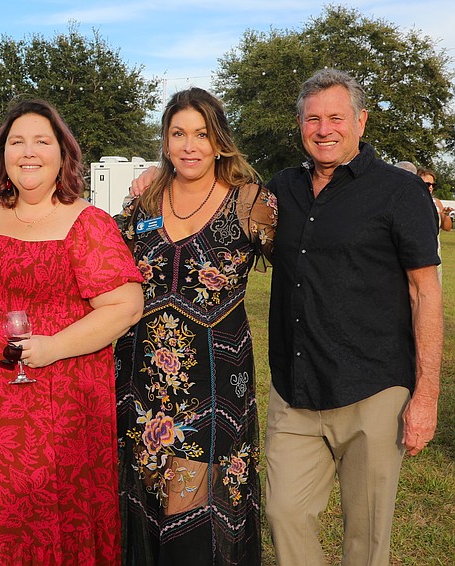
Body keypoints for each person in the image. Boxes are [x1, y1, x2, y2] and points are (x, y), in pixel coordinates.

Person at [0, 99, 144, 564]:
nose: (28, 152)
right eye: (17, 142)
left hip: (59, 398)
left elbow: (126, 306)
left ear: (63, 153)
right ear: (2, 155)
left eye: (42, 141)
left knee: (47, 512)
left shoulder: (87, 222)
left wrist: (54, 346)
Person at [265, 69, 441, 566]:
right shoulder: (281, 188)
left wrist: (426, 396)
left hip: (373, 391)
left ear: (361, 121)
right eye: (313, 119)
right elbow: (218, 199)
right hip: (295, 389)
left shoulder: (399, 191)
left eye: (337, 118)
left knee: (365, 540)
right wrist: (158, 175)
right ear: (300, 124)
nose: (324, 129)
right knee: (283, 513)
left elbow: (425, 293)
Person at [114, 87, 277, 565]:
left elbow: (305, 269)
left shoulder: (250, 202)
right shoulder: (144, 202)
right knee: (146, 504)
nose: (190, 146)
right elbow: (104, 265)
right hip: (140, 381)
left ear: (219, 140)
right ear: (165, 142)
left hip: (214, 384)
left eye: (202, 134)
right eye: (178, 134)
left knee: (191, 513)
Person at [417, 166, 451, 284]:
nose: (431, 187)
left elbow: (447, 227)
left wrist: (445, 215)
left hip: (435, 254)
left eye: (433, 185)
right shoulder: (411, 201)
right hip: (417, 254)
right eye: (427, 184)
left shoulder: (436, 203)